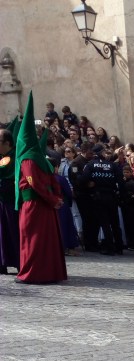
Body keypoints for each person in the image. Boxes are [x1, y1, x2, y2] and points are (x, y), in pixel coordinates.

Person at [15, 92, 67, 285]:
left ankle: (33, 273)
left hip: (34, 205)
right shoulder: (43, 159)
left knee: (33, 240)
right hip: (46, 204)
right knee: (47, 240)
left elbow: (34, 183)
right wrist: (57, 198)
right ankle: (50, 271)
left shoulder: (28, 159)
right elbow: (54, 180)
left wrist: (54, 200)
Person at [79, 144, 124, 255]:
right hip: (112, 196)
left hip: (98, 197)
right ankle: (119, 247)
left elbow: (83, 179)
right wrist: (121, 196)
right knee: (115, 223)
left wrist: (88, 184)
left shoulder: (90, 165)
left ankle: (109, 248)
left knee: (105, 223)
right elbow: (121, 183)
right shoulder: (113, 165)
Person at [0, 124, 20, 275]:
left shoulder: (14, 157)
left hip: (11, 202)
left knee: (13, 232)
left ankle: (19, 261)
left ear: (7, 142)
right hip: (2, 201)